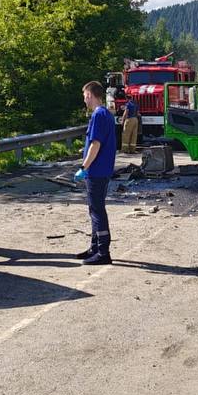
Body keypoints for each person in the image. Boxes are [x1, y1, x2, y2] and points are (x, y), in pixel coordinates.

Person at [74, 81, 117, 265]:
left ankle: (103, 252)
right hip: (102, 169)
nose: (84, 100)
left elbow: (95, 144)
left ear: (90, 95)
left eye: (84, 96)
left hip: (97, 171)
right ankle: (95, 246)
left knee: (97, 210)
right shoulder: (106, 114)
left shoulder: (98, 115)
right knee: (94, 209)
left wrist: (84, 168)